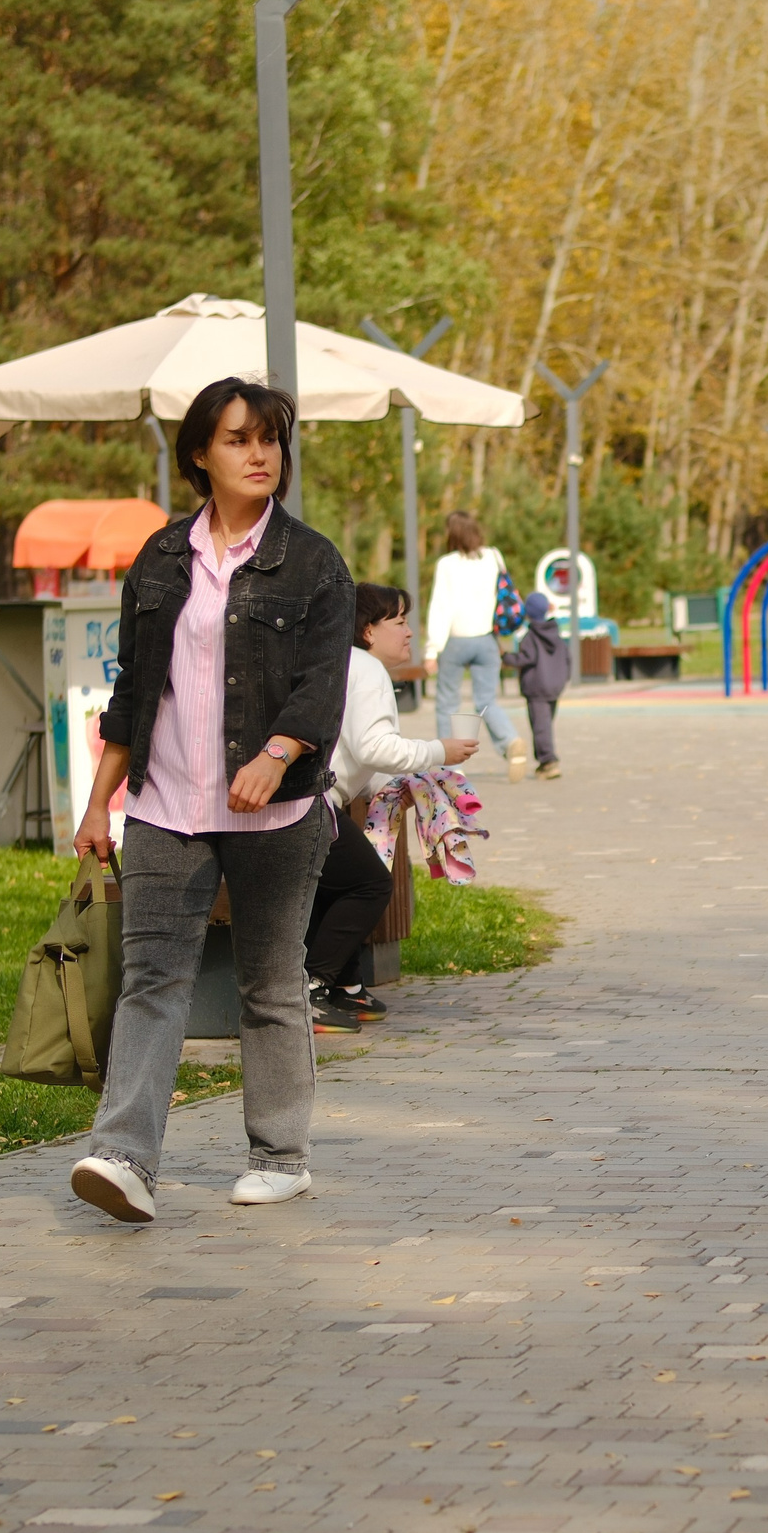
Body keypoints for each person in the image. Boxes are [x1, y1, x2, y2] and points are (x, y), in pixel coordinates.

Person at [64, 376, 353, 1224]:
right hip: (165, 804)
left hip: (278, 813)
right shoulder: (160, 559)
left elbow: (322, 681)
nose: (260, 454)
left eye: (269, 439)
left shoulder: (312, 562)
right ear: (200, 454)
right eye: (238, 439)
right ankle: (123, 1157)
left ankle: (280, 1154)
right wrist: (97, 804)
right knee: (153, 979)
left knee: (269, 981)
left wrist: (277, 753)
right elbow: (134, 691)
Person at [306, 583, 478, 1031]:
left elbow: (357, 753)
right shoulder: (366, 669)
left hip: (314, 801)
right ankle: (312, 989)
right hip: (310, 803)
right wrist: (440, 751)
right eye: (399, 621)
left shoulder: (350, 665)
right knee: (369, 885)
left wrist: (399, 785)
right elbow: (375, 746)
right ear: (367, 629)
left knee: (337, 885)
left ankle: (342, 986)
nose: (408, 632)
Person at [423, 510, 529, 783]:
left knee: (447, 702)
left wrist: (432, 650)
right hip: (486, 640)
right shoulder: (493, 556)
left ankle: (451, 766)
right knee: (487, 701)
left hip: (456, 641)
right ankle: (510, 741)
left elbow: (441, 606)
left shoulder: (447, 564)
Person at [509, 591, 569, 779]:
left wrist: (505, 657)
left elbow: (526, 658)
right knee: (546, 724)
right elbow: (568, 658)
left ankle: (549, 762)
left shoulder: (531, 637)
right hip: (554, 687)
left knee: (540, 726)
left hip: (536, 688)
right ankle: (544, 763)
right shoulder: (555, 633)